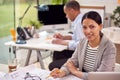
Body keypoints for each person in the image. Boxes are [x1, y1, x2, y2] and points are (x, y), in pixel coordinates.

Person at [50, 11, 116, 80]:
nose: (87, 31)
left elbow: (101, 77)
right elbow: (72, 62)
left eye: (92, 27)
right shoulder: (82, 42)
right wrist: (61, 72)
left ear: (100, 27)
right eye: (84, 27)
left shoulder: (109, 47)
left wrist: (76, 72)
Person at [49, 0, 84, 70]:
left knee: (52, 65)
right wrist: (63, 37)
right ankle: (63, 71)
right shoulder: (80, 19)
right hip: (80, 53)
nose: (66, 16)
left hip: (81, 56)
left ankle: (61, 70)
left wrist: (63, 42)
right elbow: (77, 37)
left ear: (71, 10)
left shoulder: (79, 23)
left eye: (66, 13)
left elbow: (81, 45)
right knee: (58, 52)